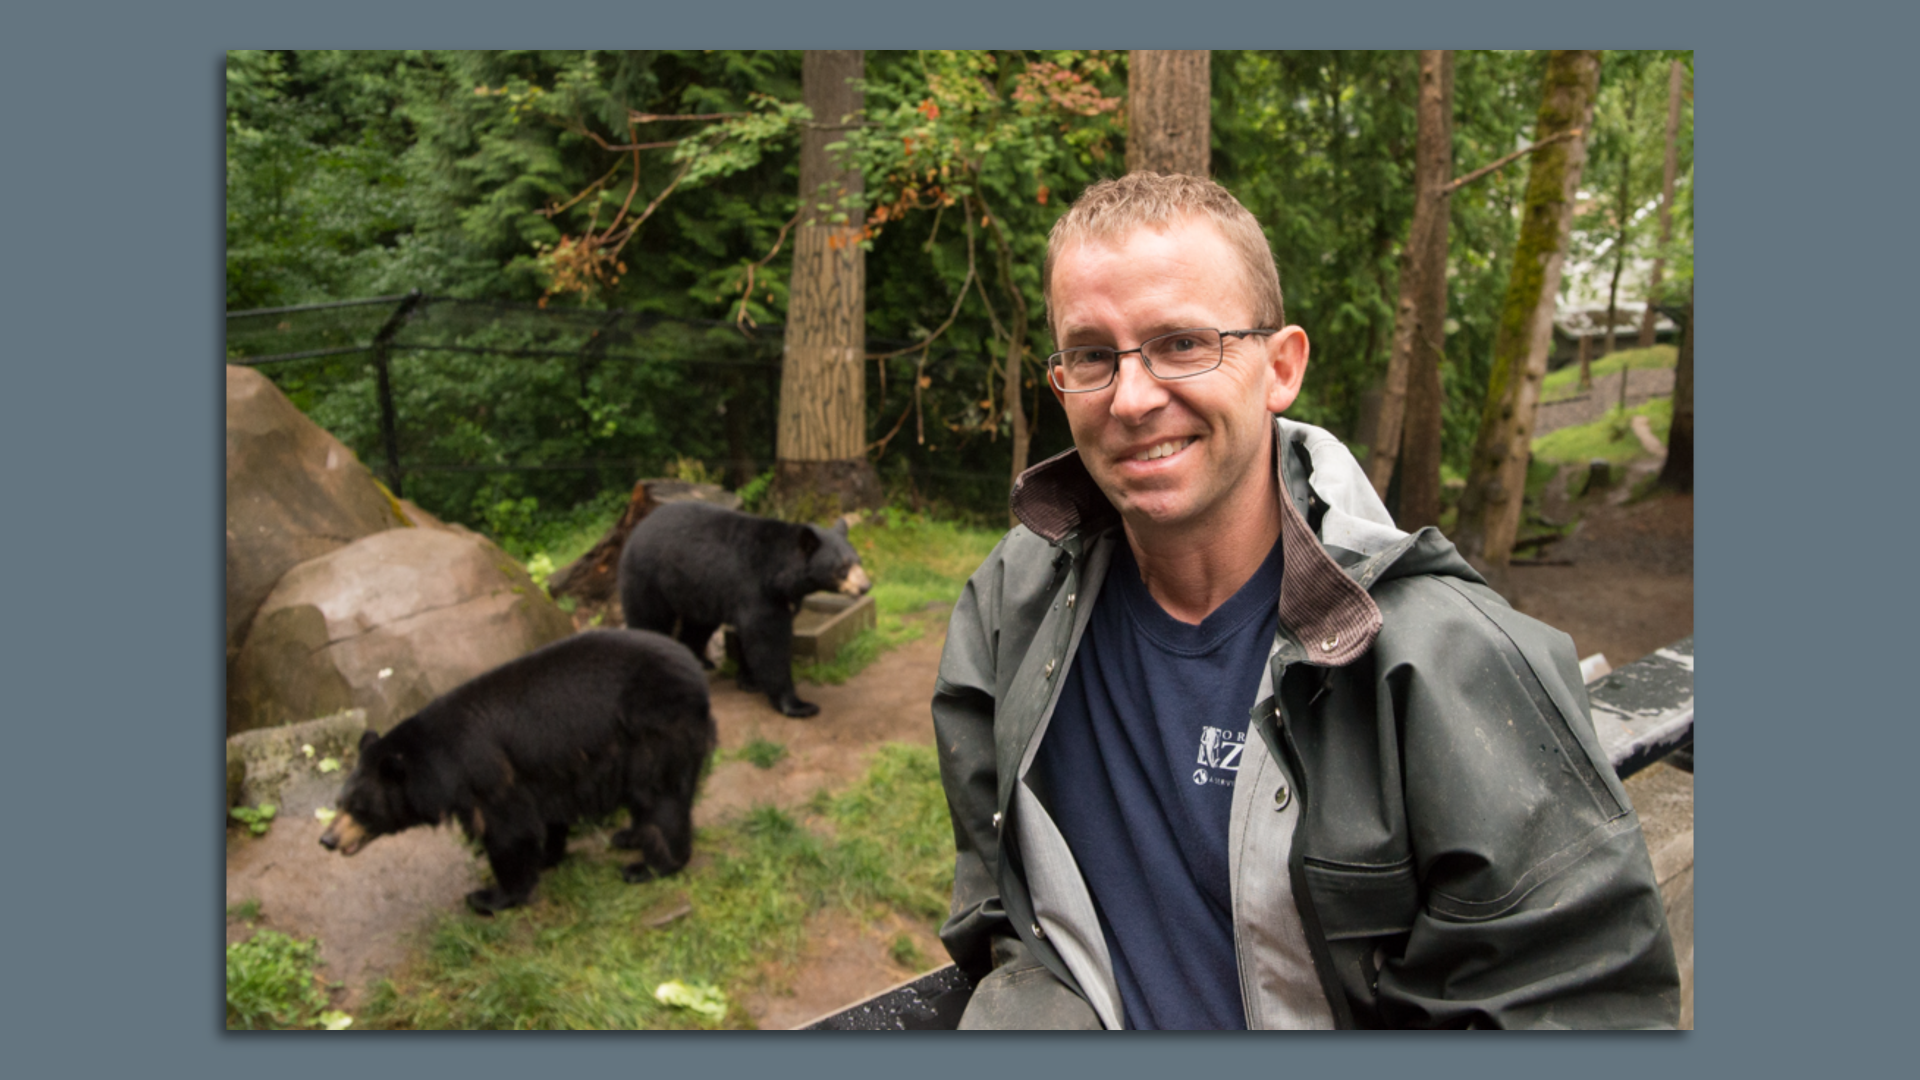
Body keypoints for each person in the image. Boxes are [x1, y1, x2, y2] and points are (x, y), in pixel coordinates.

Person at [931, 173, 1680, 1030]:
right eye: (1093, 355)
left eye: (1181, 343)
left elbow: (1577, 1007)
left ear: (1280, 366)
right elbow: (1001, 896)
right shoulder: (1013, 603)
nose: (1132, 399)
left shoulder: (1444, 662)